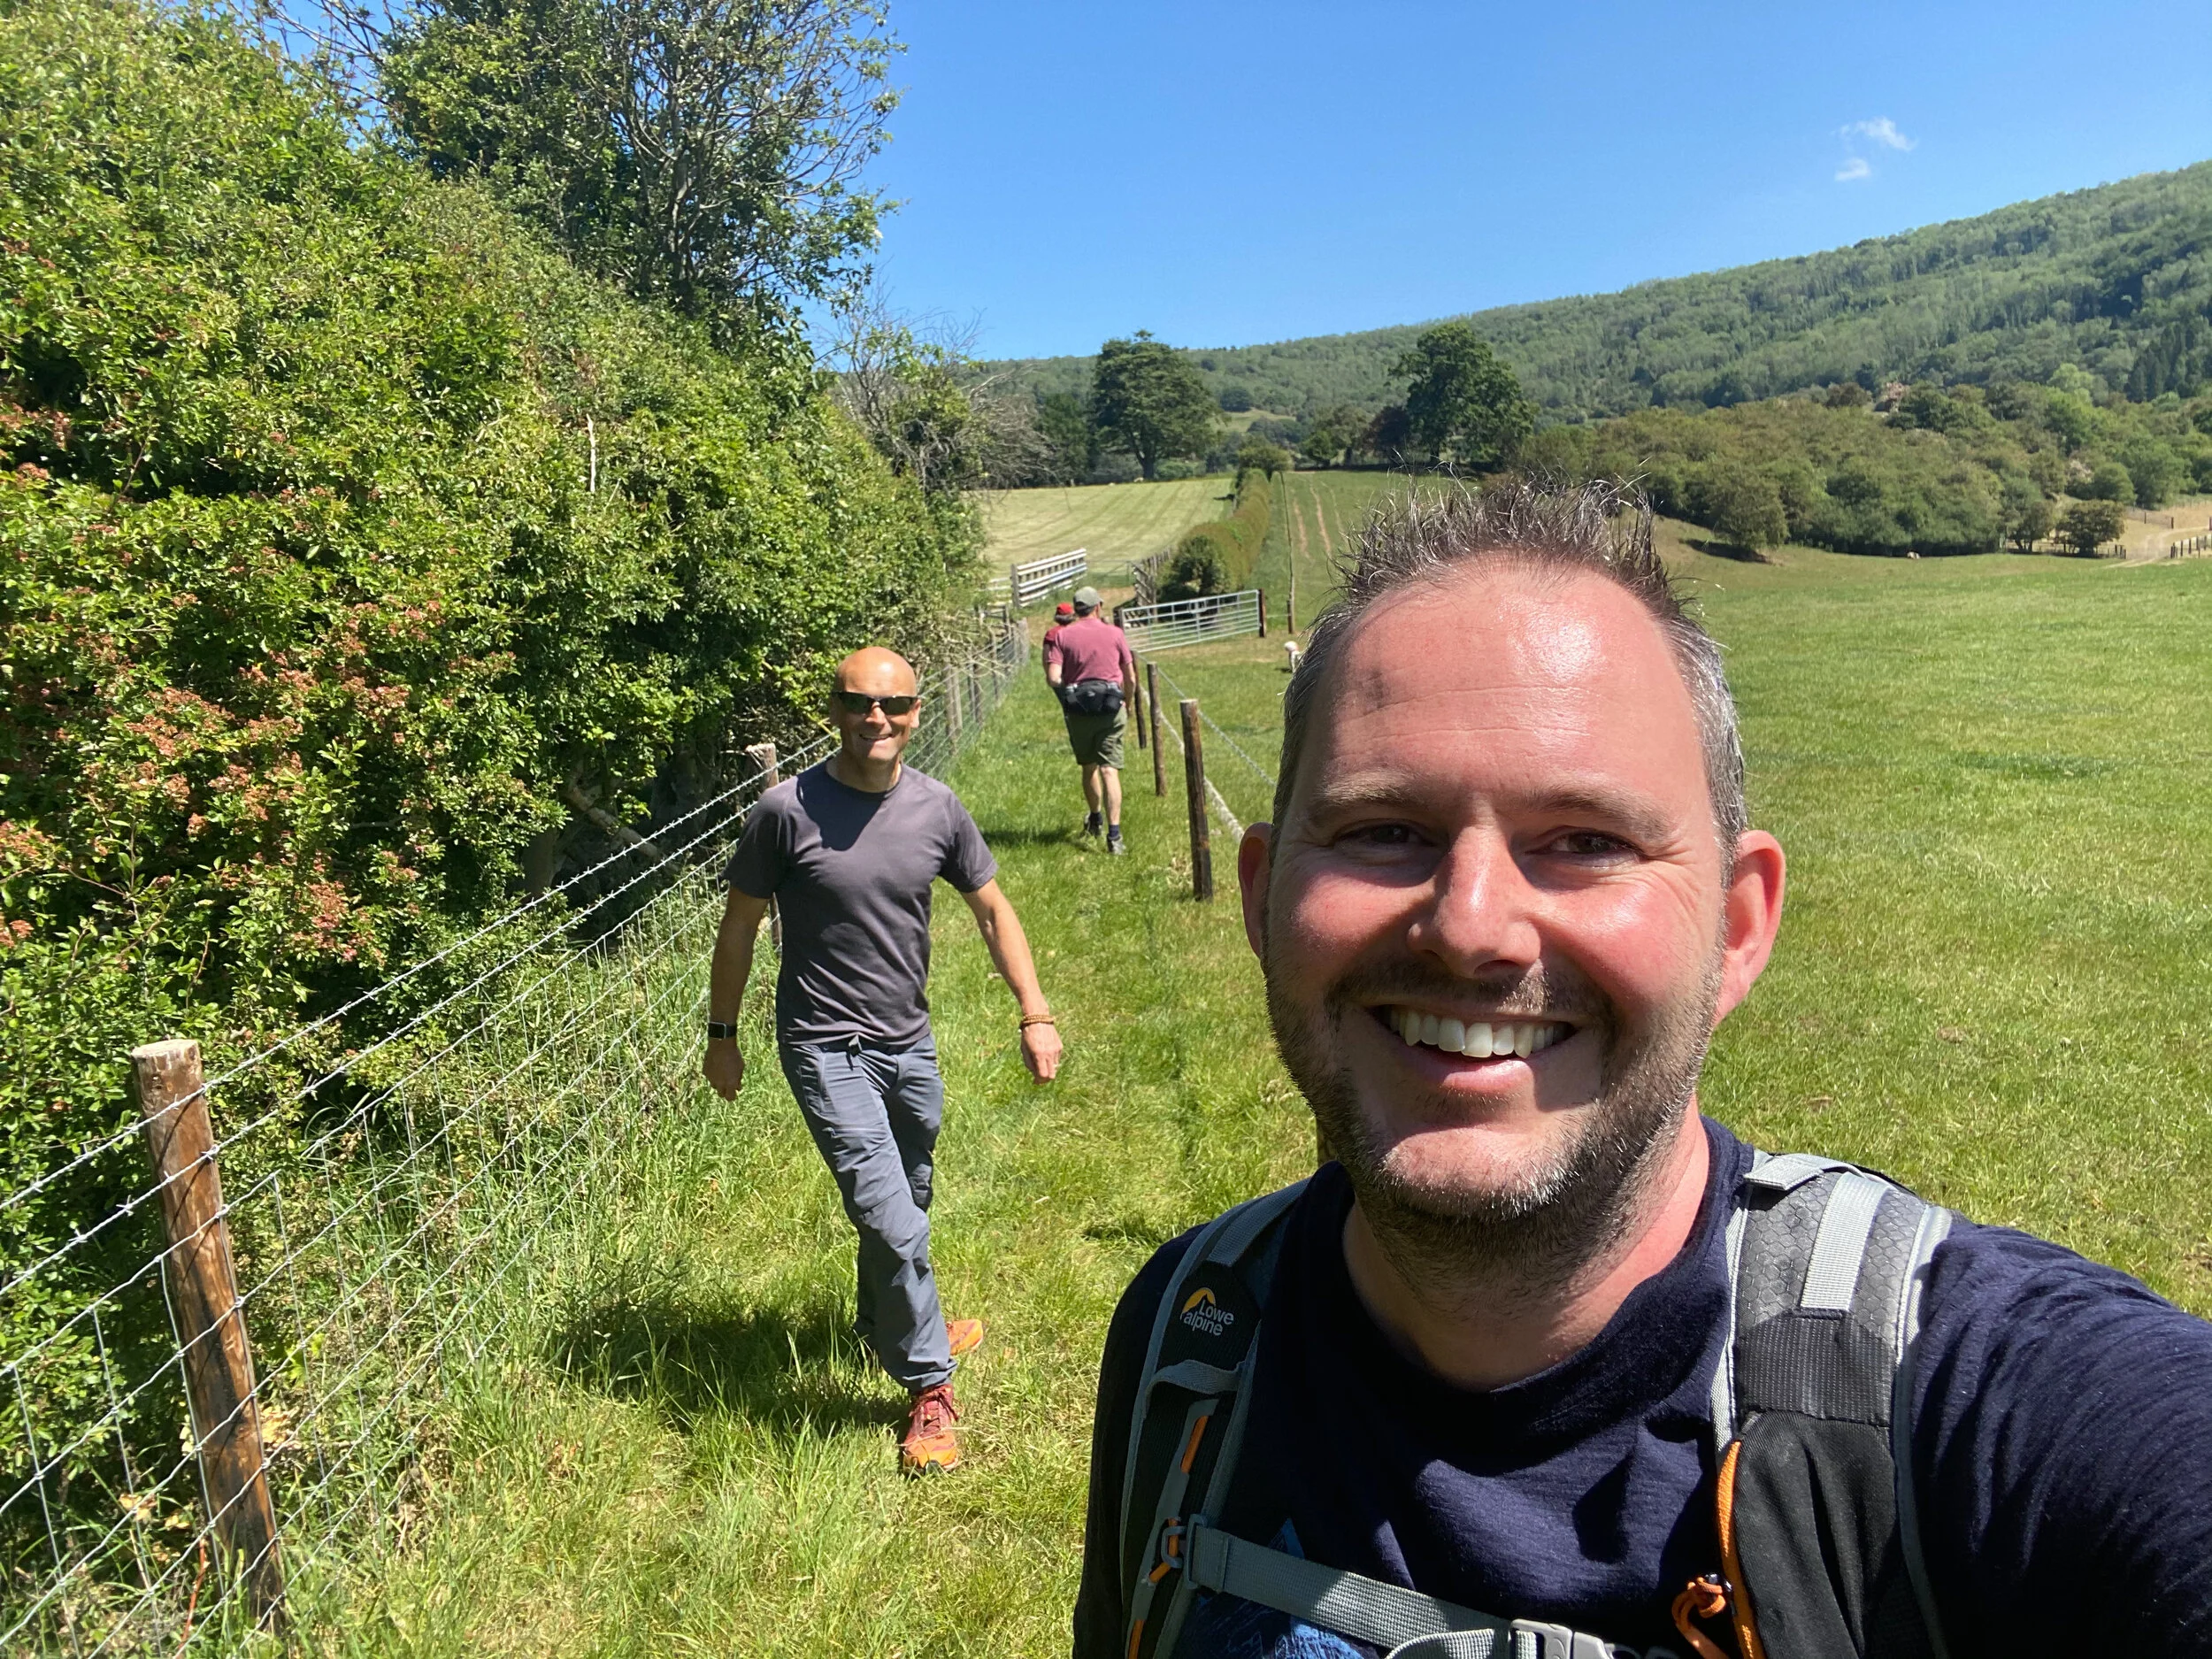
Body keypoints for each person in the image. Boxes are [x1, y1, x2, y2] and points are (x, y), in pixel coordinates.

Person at [1073, 482, 2212, 1658]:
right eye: (1383, 827)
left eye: (1586, 841)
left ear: (1738, 925)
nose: (1473, 925)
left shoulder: (1967, 1397)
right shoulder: (1190, 1341)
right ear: (1264, 896)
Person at [702, 646, 1064, 1477]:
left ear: (915, 713)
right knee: (889, 1213)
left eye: (895, 705)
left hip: (909, 1042)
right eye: (861, 703)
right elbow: (739, 929)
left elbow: (993, 911)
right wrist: (724, 1036)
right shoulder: (785, 813)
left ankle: (890, 1320)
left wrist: (1034, 1011)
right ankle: (929, 1383)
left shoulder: (938, 809)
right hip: (823, 1045)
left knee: (910, 1193)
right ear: (833, 709)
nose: (878, 719)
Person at [1044, 585, 1137, 853]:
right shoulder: (1115, 633)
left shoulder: (1063, 636)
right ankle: (1115, 835)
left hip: (1079, 713)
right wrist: (1127, 703)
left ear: (1076, 609)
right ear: (1098, 607)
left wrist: (1070, 693)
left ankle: (1095, 818)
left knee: (1089, 767)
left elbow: (1053, 677)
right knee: (1110, 770)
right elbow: (1130, 677)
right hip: (1110, 709)